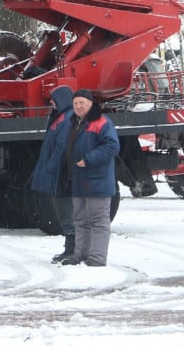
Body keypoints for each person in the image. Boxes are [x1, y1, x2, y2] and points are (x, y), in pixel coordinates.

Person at [67, 89, 120, 268]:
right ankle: (80, 255)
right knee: (80, 220)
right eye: (75, 104)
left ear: (91, 103)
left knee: (98, 221)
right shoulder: (75, 123)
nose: (78, 106)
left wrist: (88, 160)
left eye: (81, 102)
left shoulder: (101, 122)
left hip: (97, 181)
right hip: (79, 180)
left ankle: (97, 258)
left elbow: (112, 146)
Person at [27, 85, 77, 264]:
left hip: (63, 174)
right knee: (64, 212)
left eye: (54, 98)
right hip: (61, 173)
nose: (51, 102)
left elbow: (62, 147)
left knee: (67, 211)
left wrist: (51, 168)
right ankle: (69, 249)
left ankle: (73, 251)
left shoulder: (67, 118)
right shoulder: (61, 117)